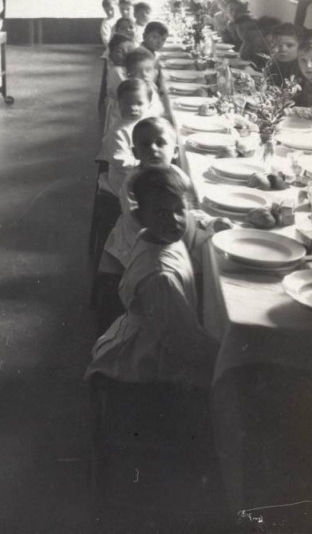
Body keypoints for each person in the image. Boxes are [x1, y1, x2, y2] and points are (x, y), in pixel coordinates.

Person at [86, 166, 220, 389]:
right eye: (160, 212)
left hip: (150, 331)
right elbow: (183, 341)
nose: (174, 220)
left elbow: (190, 221)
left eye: (180, 209)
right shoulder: (161, 278)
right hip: (147, 358)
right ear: (140, 217)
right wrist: (223, 355)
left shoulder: (152, 236)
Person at [263, 22, 303, 88]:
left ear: (300, 47)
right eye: (278, 45)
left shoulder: (302, 69)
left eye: (289, 45)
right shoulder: (271, 64)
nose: (283, 49)